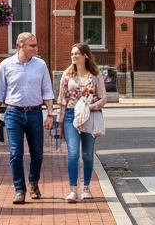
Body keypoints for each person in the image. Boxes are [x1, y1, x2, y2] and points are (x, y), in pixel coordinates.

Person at [0, 32, 56, 205]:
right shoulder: (6, 65)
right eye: (32, 45)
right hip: (13, 113)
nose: (36, 48)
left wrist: (50, 114)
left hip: (35, 113)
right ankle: (19, 189)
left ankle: (33, 181)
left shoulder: (41, 65)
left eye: (36, 45)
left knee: (37, 153)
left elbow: (47, 91)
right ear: (20, 45)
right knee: (15, 152)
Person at [58, 43, 107, 203]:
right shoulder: (67, 75)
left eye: (77, 53)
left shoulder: (95, 75)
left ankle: (86, 188)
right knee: (73, 153)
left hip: (90, 115)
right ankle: (73, 190)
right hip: (71, 115)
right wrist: (60, 121)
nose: (73, 56)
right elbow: (62, 99)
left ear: (85, 55)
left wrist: (91, 107)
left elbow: (103, 97)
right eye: (72, 54)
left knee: (87, 153)